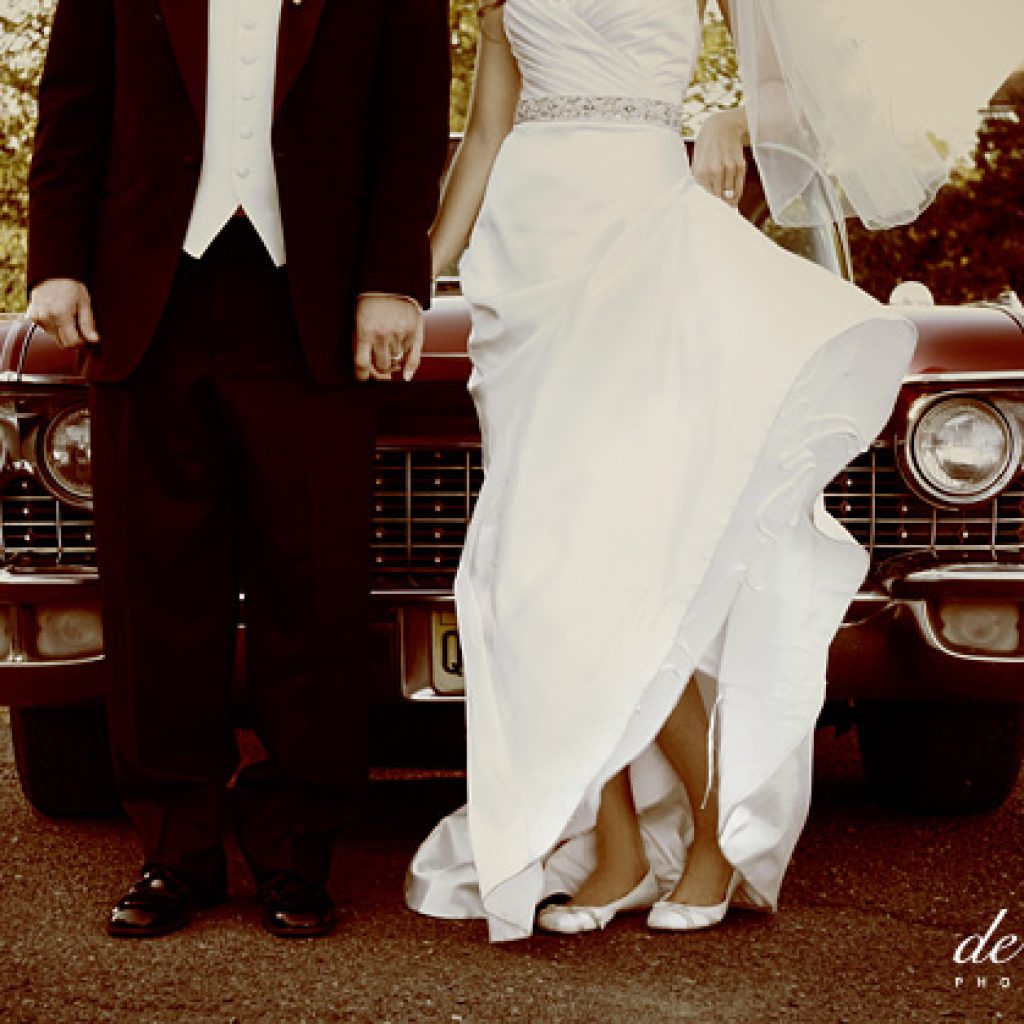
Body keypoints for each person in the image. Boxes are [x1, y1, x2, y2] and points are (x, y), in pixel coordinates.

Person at [405, 0, 1023, 942]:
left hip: (646, 245)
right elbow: (486, 138)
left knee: (628, 566)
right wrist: (411, 289)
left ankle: (716, 839)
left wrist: (732, 117)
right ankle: (613, 844)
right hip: (527, 268)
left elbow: (797, 82)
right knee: (541, 571)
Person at [27, 0, 450, 939]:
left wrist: (392, 280)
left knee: (314, 581)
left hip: (318, 301)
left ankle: (298, 851)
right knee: (157, 582)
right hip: (148, 293)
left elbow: (411, 124)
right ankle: (175, 849)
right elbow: (73, 103)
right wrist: (55, 262)